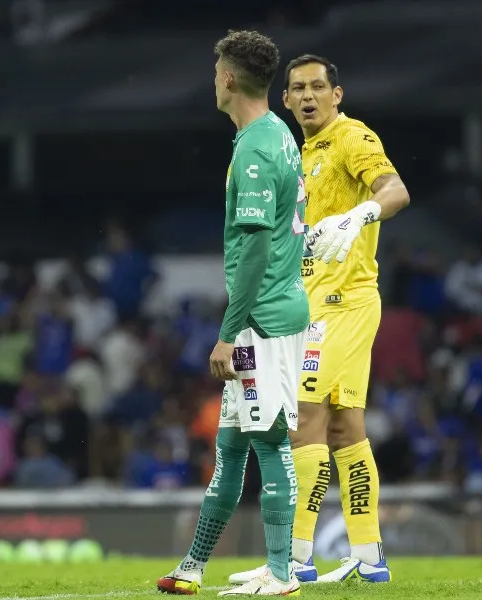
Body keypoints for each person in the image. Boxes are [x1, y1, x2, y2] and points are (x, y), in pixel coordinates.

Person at [228, 54, 410, 585]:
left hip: (345, 304)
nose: (307, 96)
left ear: (337, 94)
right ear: (284, 100)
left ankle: (295, 558)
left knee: (300, 417)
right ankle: (370, 555)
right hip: (313, 306)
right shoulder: (296, 150)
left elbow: (395, 190)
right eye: (297, 88)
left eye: (317, 87)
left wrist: (363, 214)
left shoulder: (352, 138)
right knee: (342, 425)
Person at [156, 30, 309, 596]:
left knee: (268, 440)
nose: (211, 78)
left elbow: (255, 252)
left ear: (227, 78)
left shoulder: (255, 147)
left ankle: (282, 571)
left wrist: (228, 332)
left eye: (214, 69)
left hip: (262, 319)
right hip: (270, 311)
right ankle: (194, 565)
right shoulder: (276, 135)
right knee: (232, 444)